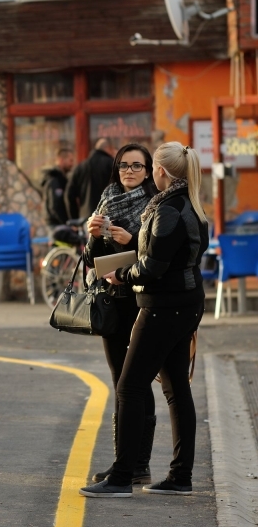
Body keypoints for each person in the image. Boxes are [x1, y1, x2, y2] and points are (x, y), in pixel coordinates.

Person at [80, 142, 208, 498]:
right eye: (126, 166)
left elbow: (153, 264)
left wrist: (123, 274)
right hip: (182, 302)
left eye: (146, 166)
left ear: (160, 171)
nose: (138, 172)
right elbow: (171, 253)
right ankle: (179, 477)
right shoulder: (189, 204)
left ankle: (124, 476)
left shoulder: (168, 208)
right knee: (175, 388)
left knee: (130, 387)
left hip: (163, 306)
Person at [82, 143, 159, 485]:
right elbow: (90, 259)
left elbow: (155, 256)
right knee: (120, 383)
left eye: (137, 166)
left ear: (147, 171)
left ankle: (139, 462)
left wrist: (131, 241)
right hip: (112, 302)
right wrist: (94, 236)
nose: (129, 171)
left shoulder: (154, 204)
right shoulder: (106, 199)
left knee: (138, 384)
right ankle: (122, 461)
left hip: (142, 303)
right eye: (124, 166)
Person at [65, 138, 116, 221]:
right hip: (108, 217)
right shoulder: (111, 165)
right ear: (108, 148)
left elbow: (69, 195)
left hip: (85, 218)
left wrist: (74, 218)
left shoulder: (80, 167)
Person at [40, 148, 74, 228]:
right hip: (56, 224)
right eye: (70, 160)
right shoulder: (54, 180)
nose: (72, 164)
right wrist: (66, 223)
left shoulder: (61, 179)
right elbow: (55, 205)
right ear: (62, 160)